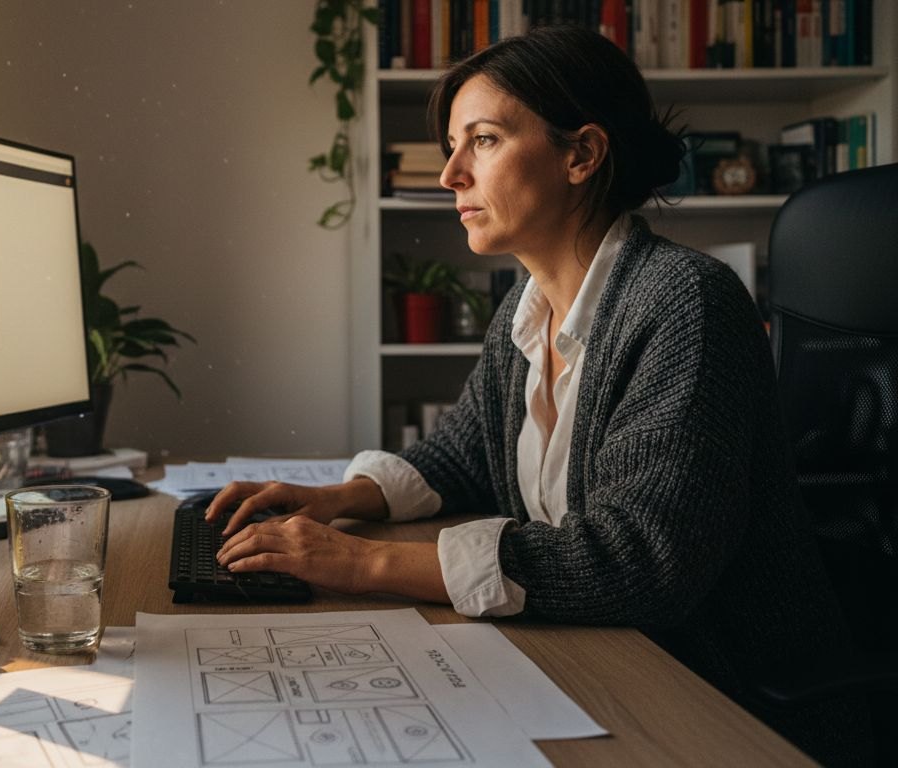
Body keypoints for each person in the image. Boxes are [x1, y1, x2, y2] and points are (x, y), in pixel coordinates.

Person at [208, 25, 868, 765]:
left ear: (581, 154)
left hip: (724, 700)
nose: (450, 173)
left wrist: (362, 565)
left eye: (482, 140)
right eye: (453, 145)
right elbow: (461, 455)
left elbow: (640, 562)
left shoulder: (686, 303)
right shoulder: (527, 308)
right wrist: (335, 499)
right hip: (603, 662)